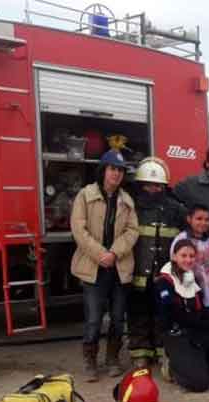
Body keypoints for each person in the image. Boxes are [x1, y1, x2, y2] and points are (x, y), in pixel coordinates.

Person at [71, 150, 139, 382]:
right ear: (103, 171)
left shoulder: (127, 201)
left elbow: (132, 231)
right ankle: (90, 361)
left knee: (118, 317)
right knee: (93, 318)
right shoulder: (85, 196)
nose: (116, 174)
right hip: (94, 267)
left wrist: (114, 253)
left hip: (119, 268)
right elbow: (79, 229)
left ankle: (112, 359)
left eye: (120, 170)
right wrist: (101, 254)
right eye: (112, 169)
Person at [127, 157, 186, 372]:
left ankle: (162, 351)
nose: (153, 189)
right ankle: (140, 354)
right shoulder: (131, 207)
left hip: (164, 274)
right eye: (149, 184)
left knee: (163, 314)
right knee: (138, 313)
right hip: (138, 271)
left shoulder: (176, 209)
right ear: (141, 184)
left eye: (157, 185)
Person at [156, 239, 209, 392]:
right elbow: (177, 316)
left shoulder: (190, 278)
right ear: (174, 256)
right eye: (183, 256)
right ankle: (171, 367)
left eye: (192, 256)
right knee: (200, 384)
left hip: (194, 332)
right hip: (176, 335)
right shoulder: (164, 282)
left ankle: (206, 366)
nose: (188, 260)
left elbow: (200, 309)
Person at [171, 204, 209, 310]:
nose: (203, 223)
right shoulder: (181, 239)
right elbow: (174, 265)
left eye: (207, 220)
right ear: (189, 219)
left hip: (206, 290)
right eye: (199, 219)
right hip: (185, 288)